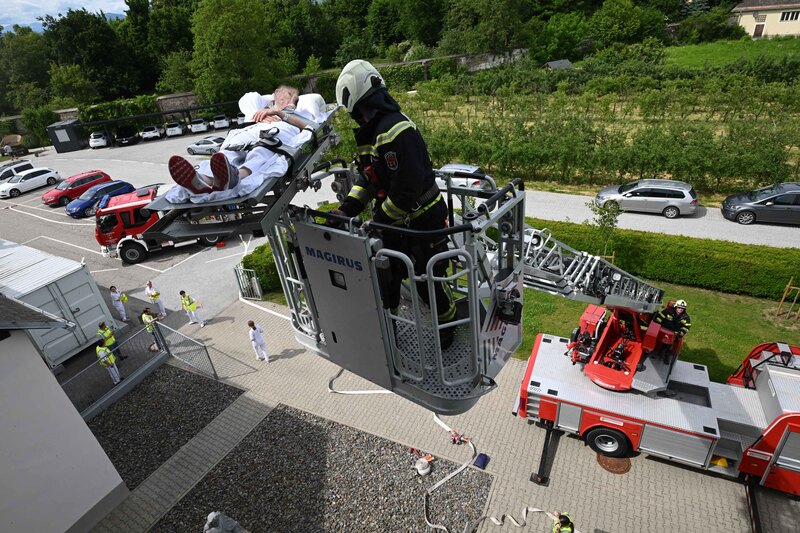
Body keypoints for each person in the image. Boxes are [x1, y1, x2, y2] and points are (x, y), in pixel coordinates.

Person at [331, 59, 458, 349]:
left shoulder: (397, 130)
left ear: (365, 102)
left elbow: (406, 190)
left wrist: (379, 222)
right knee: (386, 279)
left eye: (358, 112)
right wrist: (347, 209)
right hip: (395, 223)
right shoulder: (371, 133)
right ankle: (388, 332)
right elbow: (370, 177)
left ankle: (448, 327)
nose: (357, 118)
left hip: (423, 220)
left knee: (430, 280)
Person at [168, 85, 314, 194]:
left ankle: (236, 176)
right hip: (251, 130)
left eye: (286, 94)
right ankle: (204, 180)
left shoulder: (298, 111)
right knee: (227, 154)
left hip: (280, 130)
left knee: (262, 150)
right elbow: (249, 97)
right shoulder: (259, 108)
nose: (282, 97)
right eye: (278, 94)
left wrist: (281, 111)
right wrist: (266, 107)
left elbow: (308, 126)